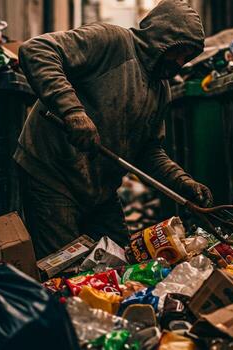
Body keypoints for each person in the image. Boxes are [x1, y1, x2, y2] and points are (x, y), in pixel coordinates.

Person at [15, 0, 212, 259]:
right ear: (162, 36)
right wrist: (73, 111)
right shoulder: (112, 41)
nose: (180, 61)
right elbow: (37, 50)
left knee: (121, 261)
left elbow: (148, 150)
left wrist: (182, 182)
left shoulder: (160, 90)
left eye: (187, 55)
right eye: (178, 50)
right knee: (63, 267)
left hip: (99, 189)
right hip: (53, 173)